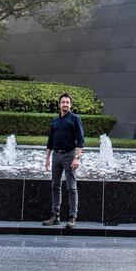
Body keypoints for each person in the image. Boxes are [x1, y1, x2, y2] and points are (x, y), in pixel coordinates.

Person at [42, 91, 85, 229]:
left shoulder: (75, 118)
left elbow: (81, 140)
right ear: (59, 104)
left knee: (71, 187)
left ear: (70, 104)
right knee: (55, 186)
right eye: (63, 102)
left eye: (67, 102)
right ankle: (55, 216)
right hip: (56, 156)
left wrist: (77, 158)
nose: (65, 104)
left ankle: (72, 217)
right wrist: (47, 158)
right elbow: (50, 141)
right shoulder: (55, 120)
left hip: (70, 155)